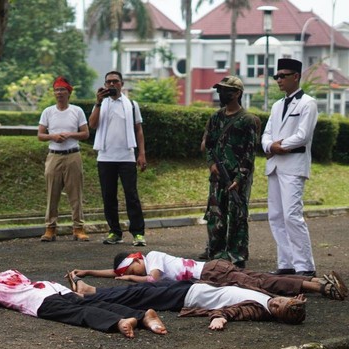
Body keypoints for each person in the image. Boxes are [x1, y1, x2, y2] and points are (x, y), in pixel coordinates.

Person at [0, 265, 167, 339]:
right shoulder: (10, 272)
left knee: (79, 313)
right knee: (93, 304)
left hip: (37, 300)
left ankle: (119, 322)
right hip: (52, 287)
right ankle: (143, 316)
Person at [70, 251, 347, 300]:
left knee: (261, 283)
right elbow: (116, 272)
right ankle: (318, 283)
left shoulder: (152, 258)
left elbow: (152, 279)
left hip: (213, 273)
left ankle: (320, 287)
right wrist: (89, 272)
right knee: (261, 278)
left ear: (136, 259)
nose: (133, 274)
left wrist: (133, 279)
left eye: (132, 269)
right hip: (214, 270)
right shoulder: (141, 262)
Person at [261, 58, 318, 277]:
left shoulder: (308, 103)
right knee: (276, 216)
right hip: (275, 165)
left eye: (283, 76)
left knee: (292, 215)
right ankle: (286, 263)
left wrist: (278, 146)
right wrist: (269, 145)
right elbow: (266, 133)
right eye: (277, 76)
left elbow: (303, 136)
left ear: (296, 76)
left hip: (293, 165)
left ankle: (305, 266)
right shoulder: (276, 106)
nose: (278, 80)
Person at [70, 279, 308, 330]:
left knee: (139, 295)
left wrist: (220, 317)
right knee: (139, 289)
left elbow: (235, 310)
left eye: (279, 309)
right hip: (196, 286)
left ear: (276, 316)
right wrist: (294, 300)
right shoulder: (267, 297)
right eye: (282, 302)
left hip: (187, 298)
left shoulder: (259, 310)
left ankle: (88, 297)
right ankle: (93, 291)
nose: (276, 303)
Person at [202, 76, 258, 268]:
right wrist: (211, 164)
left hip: (237, 178)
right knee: (215, 215)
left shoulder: (248, 120)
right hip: (218, 176)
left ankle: (236, 256)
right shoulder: (215, 118)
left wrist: (241, 177)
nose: (221, 94)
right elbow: (208, 145)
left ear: (237, 94)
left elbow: (250, 152)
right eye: (220, 90)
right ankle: (216, 254)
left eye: (226, 90)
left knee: (238, 217)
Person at [88, 71, 147, 246]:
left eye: (115, 81)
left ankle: (138, 233)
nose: (112, 85)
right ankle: (114, 231)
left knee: (131, 196)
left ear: (122, 83)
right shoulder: (101, 104)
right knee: (108, 196)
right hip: (105, 157)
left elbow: (138, 130)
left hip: (127, 156)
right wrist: (98, 103)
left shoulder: (132, 105)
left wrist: (141, 153)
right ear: (105, 85)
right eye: (108, 82)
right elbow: (92, 125)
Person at [37, 76, 90, 242]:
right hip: (54, 155)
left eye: (62, 90)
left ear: (69, 92)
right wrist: (52, 136)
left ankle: (78, 228)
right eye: (56, 90)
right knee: (52, 193)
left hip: (73, 155)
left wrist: (70, 134)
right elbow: (40, 135)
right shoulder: (48, 112)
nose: (59, 93)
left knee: (75, 193)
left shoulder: (77, 111)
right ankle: (50, 228)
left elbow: (85, 133)